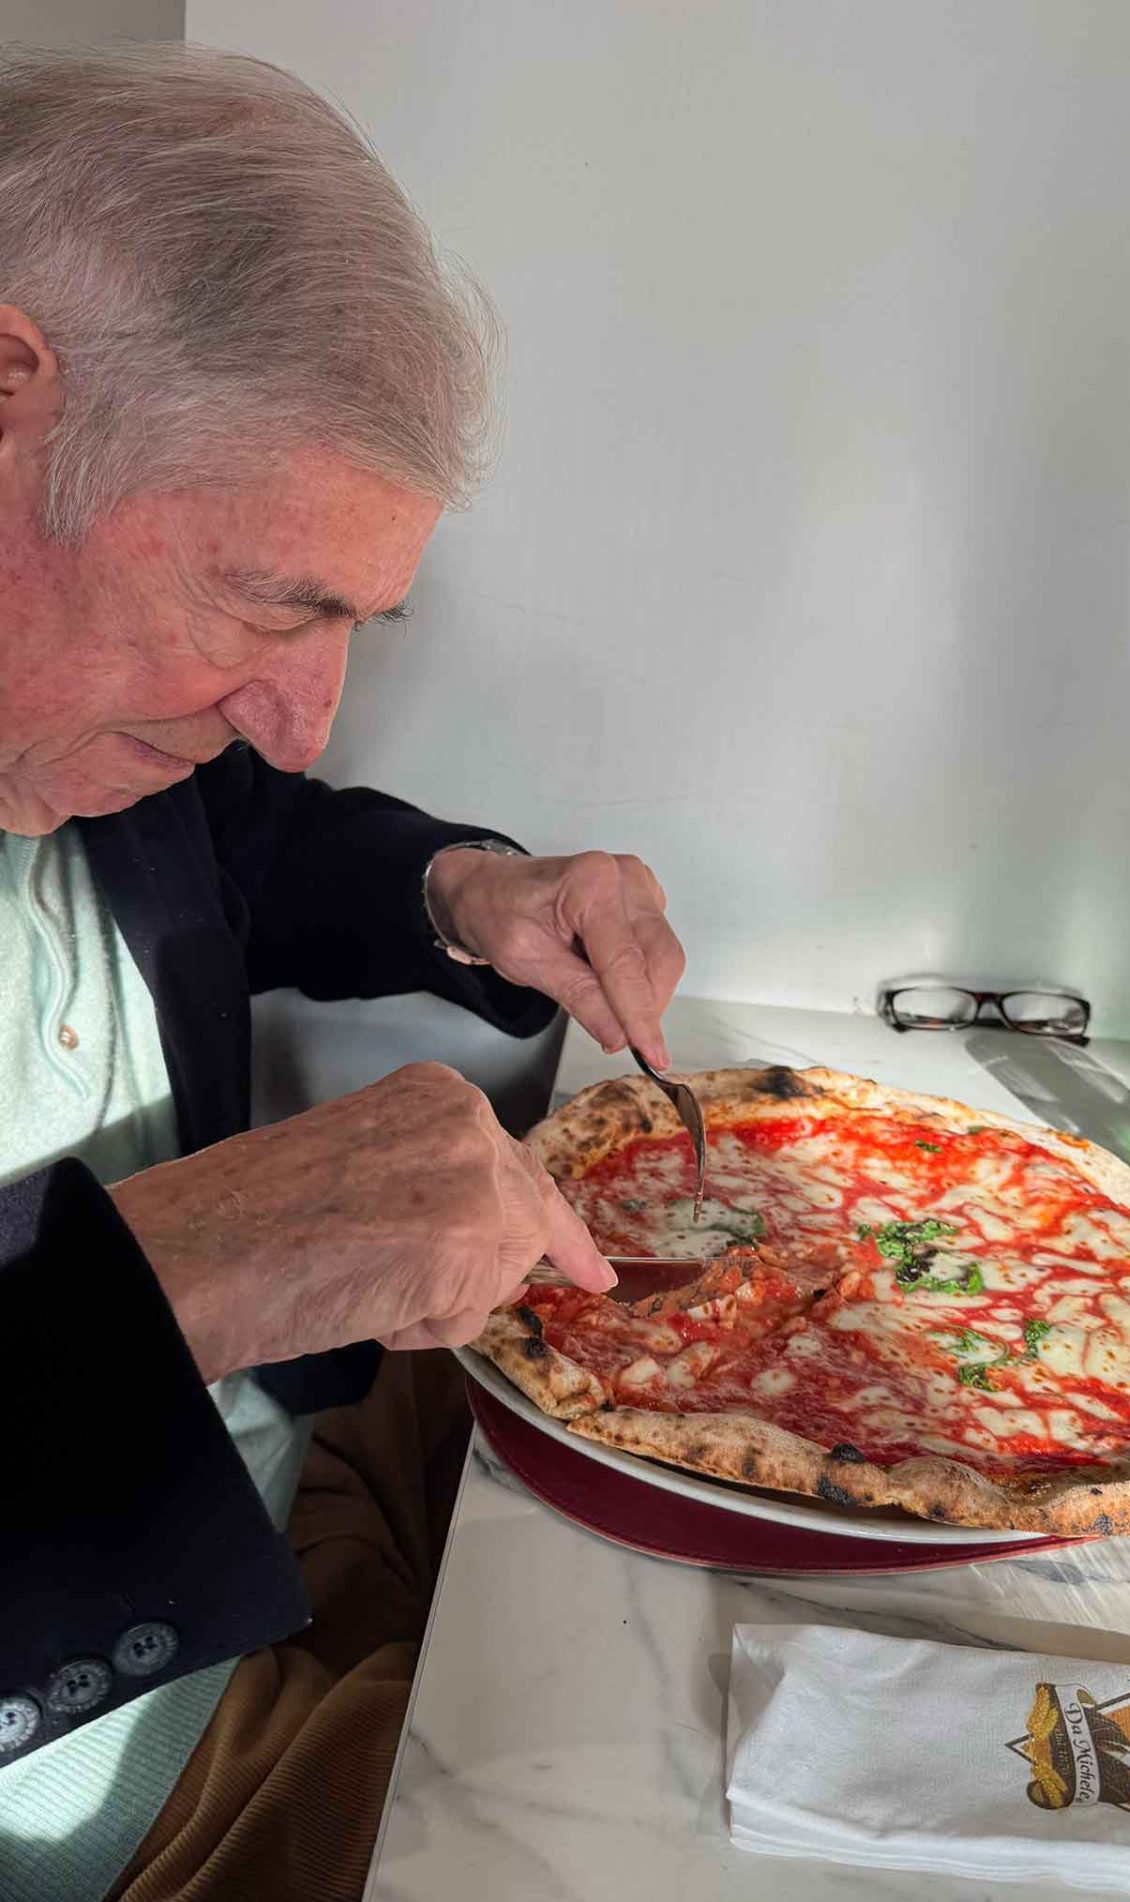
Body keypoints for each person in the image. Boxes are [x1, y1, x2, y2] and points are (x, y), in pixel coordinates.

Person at [0, 42, 685, 1900]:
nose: (297, 723)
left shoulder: (88, 727)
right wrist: (206, 1262)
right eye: (270, 600)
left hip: (281, 1510)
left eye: (352, 624)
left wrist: (469, 889)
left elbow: (244, 838)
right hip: (118, 1796)